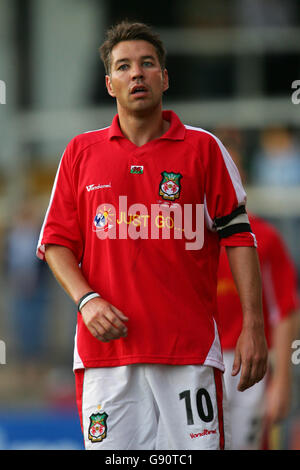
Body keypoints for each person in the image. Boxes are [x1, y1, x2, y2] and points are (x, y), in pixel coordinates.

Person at [36, 21, 268, 450]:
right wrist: (87, 301)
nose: (137, 73)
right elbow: (55, 244)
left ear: (165, 77)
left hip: (189, 354)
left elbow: (239, 237)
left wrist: (253, 324)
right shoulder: (79, 153)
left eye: (147, 64)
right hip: (107, 358)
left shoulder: (204, 149)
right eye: (124, 67)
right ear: (109, 84)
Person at [214, 131, 300, 450]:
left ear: (243, 177)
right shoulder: (185, 238)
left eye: (231, 173)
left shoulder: (265, 237)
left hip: (249, 369)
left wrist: (282, 381)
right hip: (195, 365)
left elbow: (285, 312)